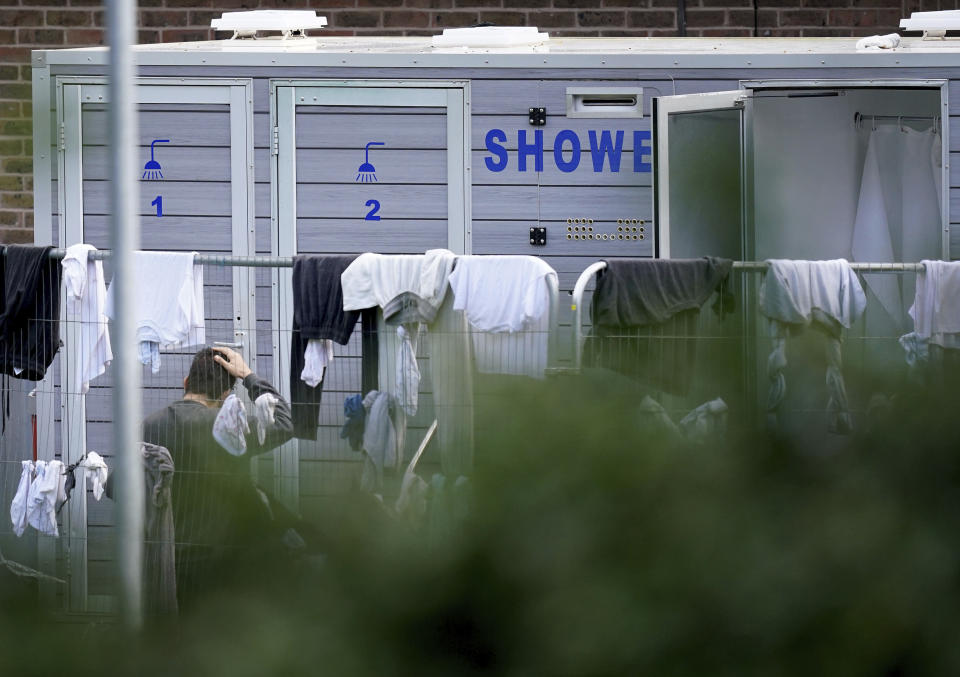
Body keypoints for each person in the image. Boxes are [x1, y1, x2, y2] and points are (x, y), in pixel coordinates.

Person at [142, 346, 294, 611]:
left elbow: (117, 486)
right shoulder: (231, 426)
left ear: (186, 383)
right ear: (226, 396)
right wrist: (247, 375)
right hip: (224, 564)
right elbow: (284, 422)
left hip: (167, 562)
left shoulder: (149, 426)